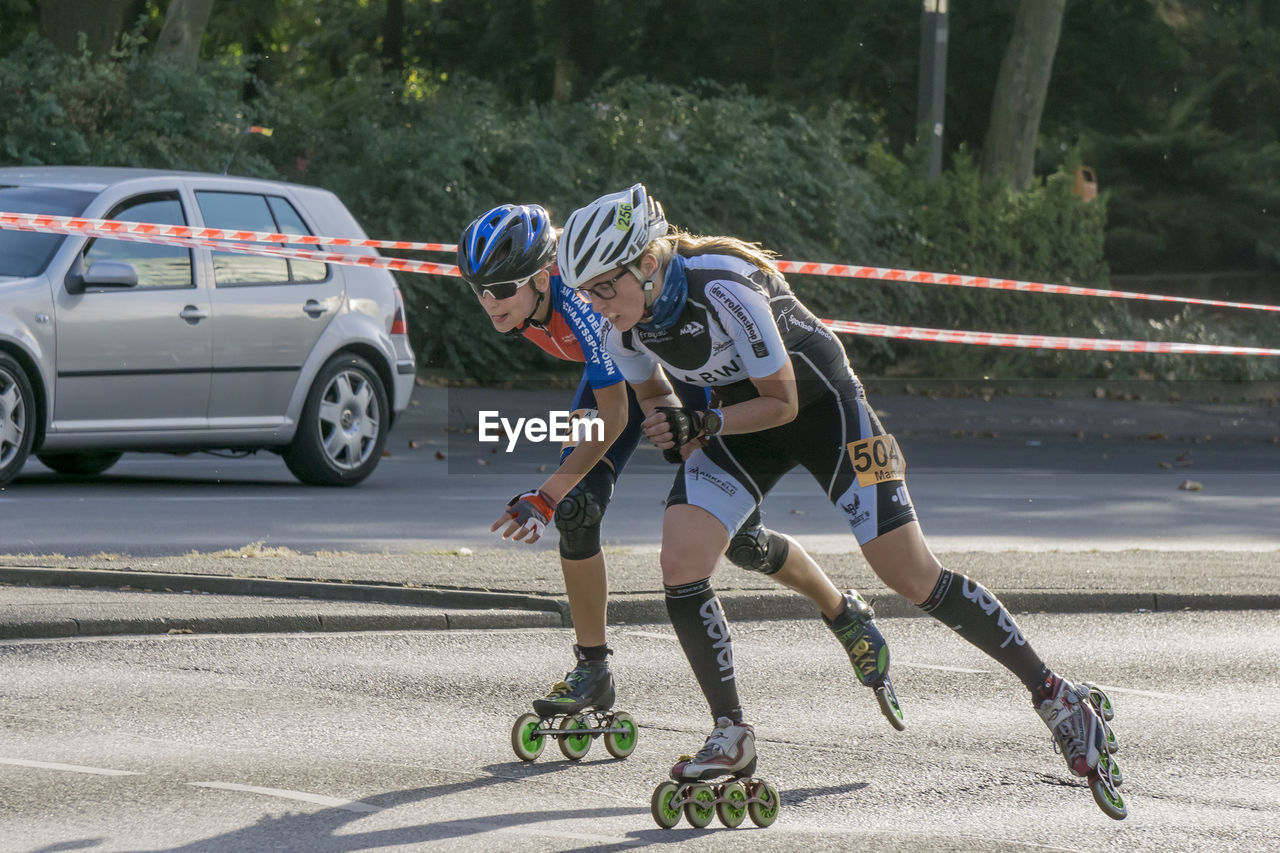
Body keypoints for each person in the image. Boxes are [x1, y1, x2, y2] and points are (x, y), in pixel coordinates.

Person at [555, 184, 1124, 817]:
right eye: (586, 292)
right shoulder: (622, 330)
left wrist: (701, 423)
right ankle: (731, 732)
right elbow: (659, 399)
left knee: (911, 576)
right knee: (681, 558)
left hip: (823, 411)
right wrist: (674, 427)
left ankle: (1056, 695)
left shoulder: (724, 286)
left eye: (604, 287)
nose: (596, 305)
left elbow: (783, 401)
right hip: (736, 424)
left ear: (648, 265)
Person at [458, 204, 904, 732]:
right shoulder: (525, 303)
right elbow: (606, 400)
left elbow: (616, 414)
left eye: (501, 288)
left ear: (539, 276)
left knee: (737, 537)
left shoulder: (579, 302)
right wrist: (560, 492)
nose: (489, 303)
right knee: (580, 507)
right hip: (619, 374)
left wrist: (546, 495)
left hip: (673, 379)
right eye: (477, 290)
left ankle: (841, 610)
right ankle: (592, 669)